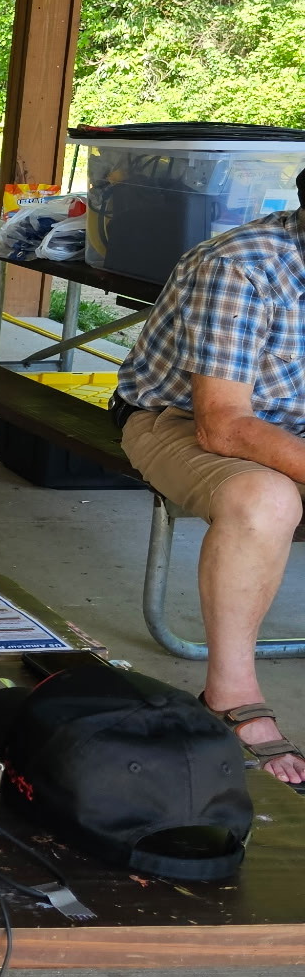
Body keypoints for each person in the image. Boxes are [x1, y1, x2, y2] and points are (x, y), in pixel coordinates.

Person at [115, 174, 305, 786]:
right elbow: (223, 426)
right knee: (265, 498)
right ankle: (231, 695)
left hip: (291, 426)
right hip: (177, 419)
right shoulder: (241, 265)